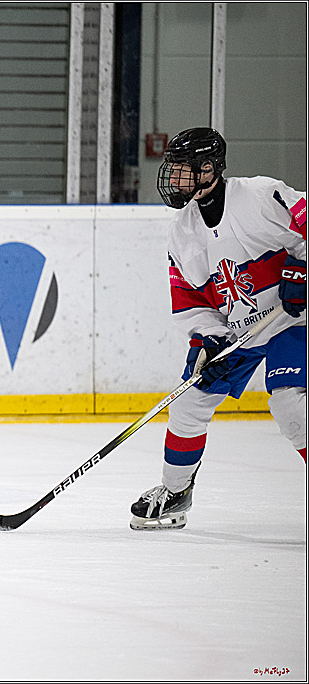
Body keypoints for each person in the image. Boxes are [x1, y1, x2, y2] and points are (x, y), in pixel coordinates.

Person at [130, 127, 306, 531]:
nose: (173, 179)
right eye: (172, 170)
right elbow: (192, 301)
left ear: (209, 169)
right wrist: (205, 337)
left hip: (291, 319)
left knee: (290, 405)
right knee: (189, 402)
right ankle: (175, 492)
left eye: (183, 170)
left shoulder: (262, 195)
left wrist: (301, 268)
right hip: (239, 330)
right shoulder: (181, 231)